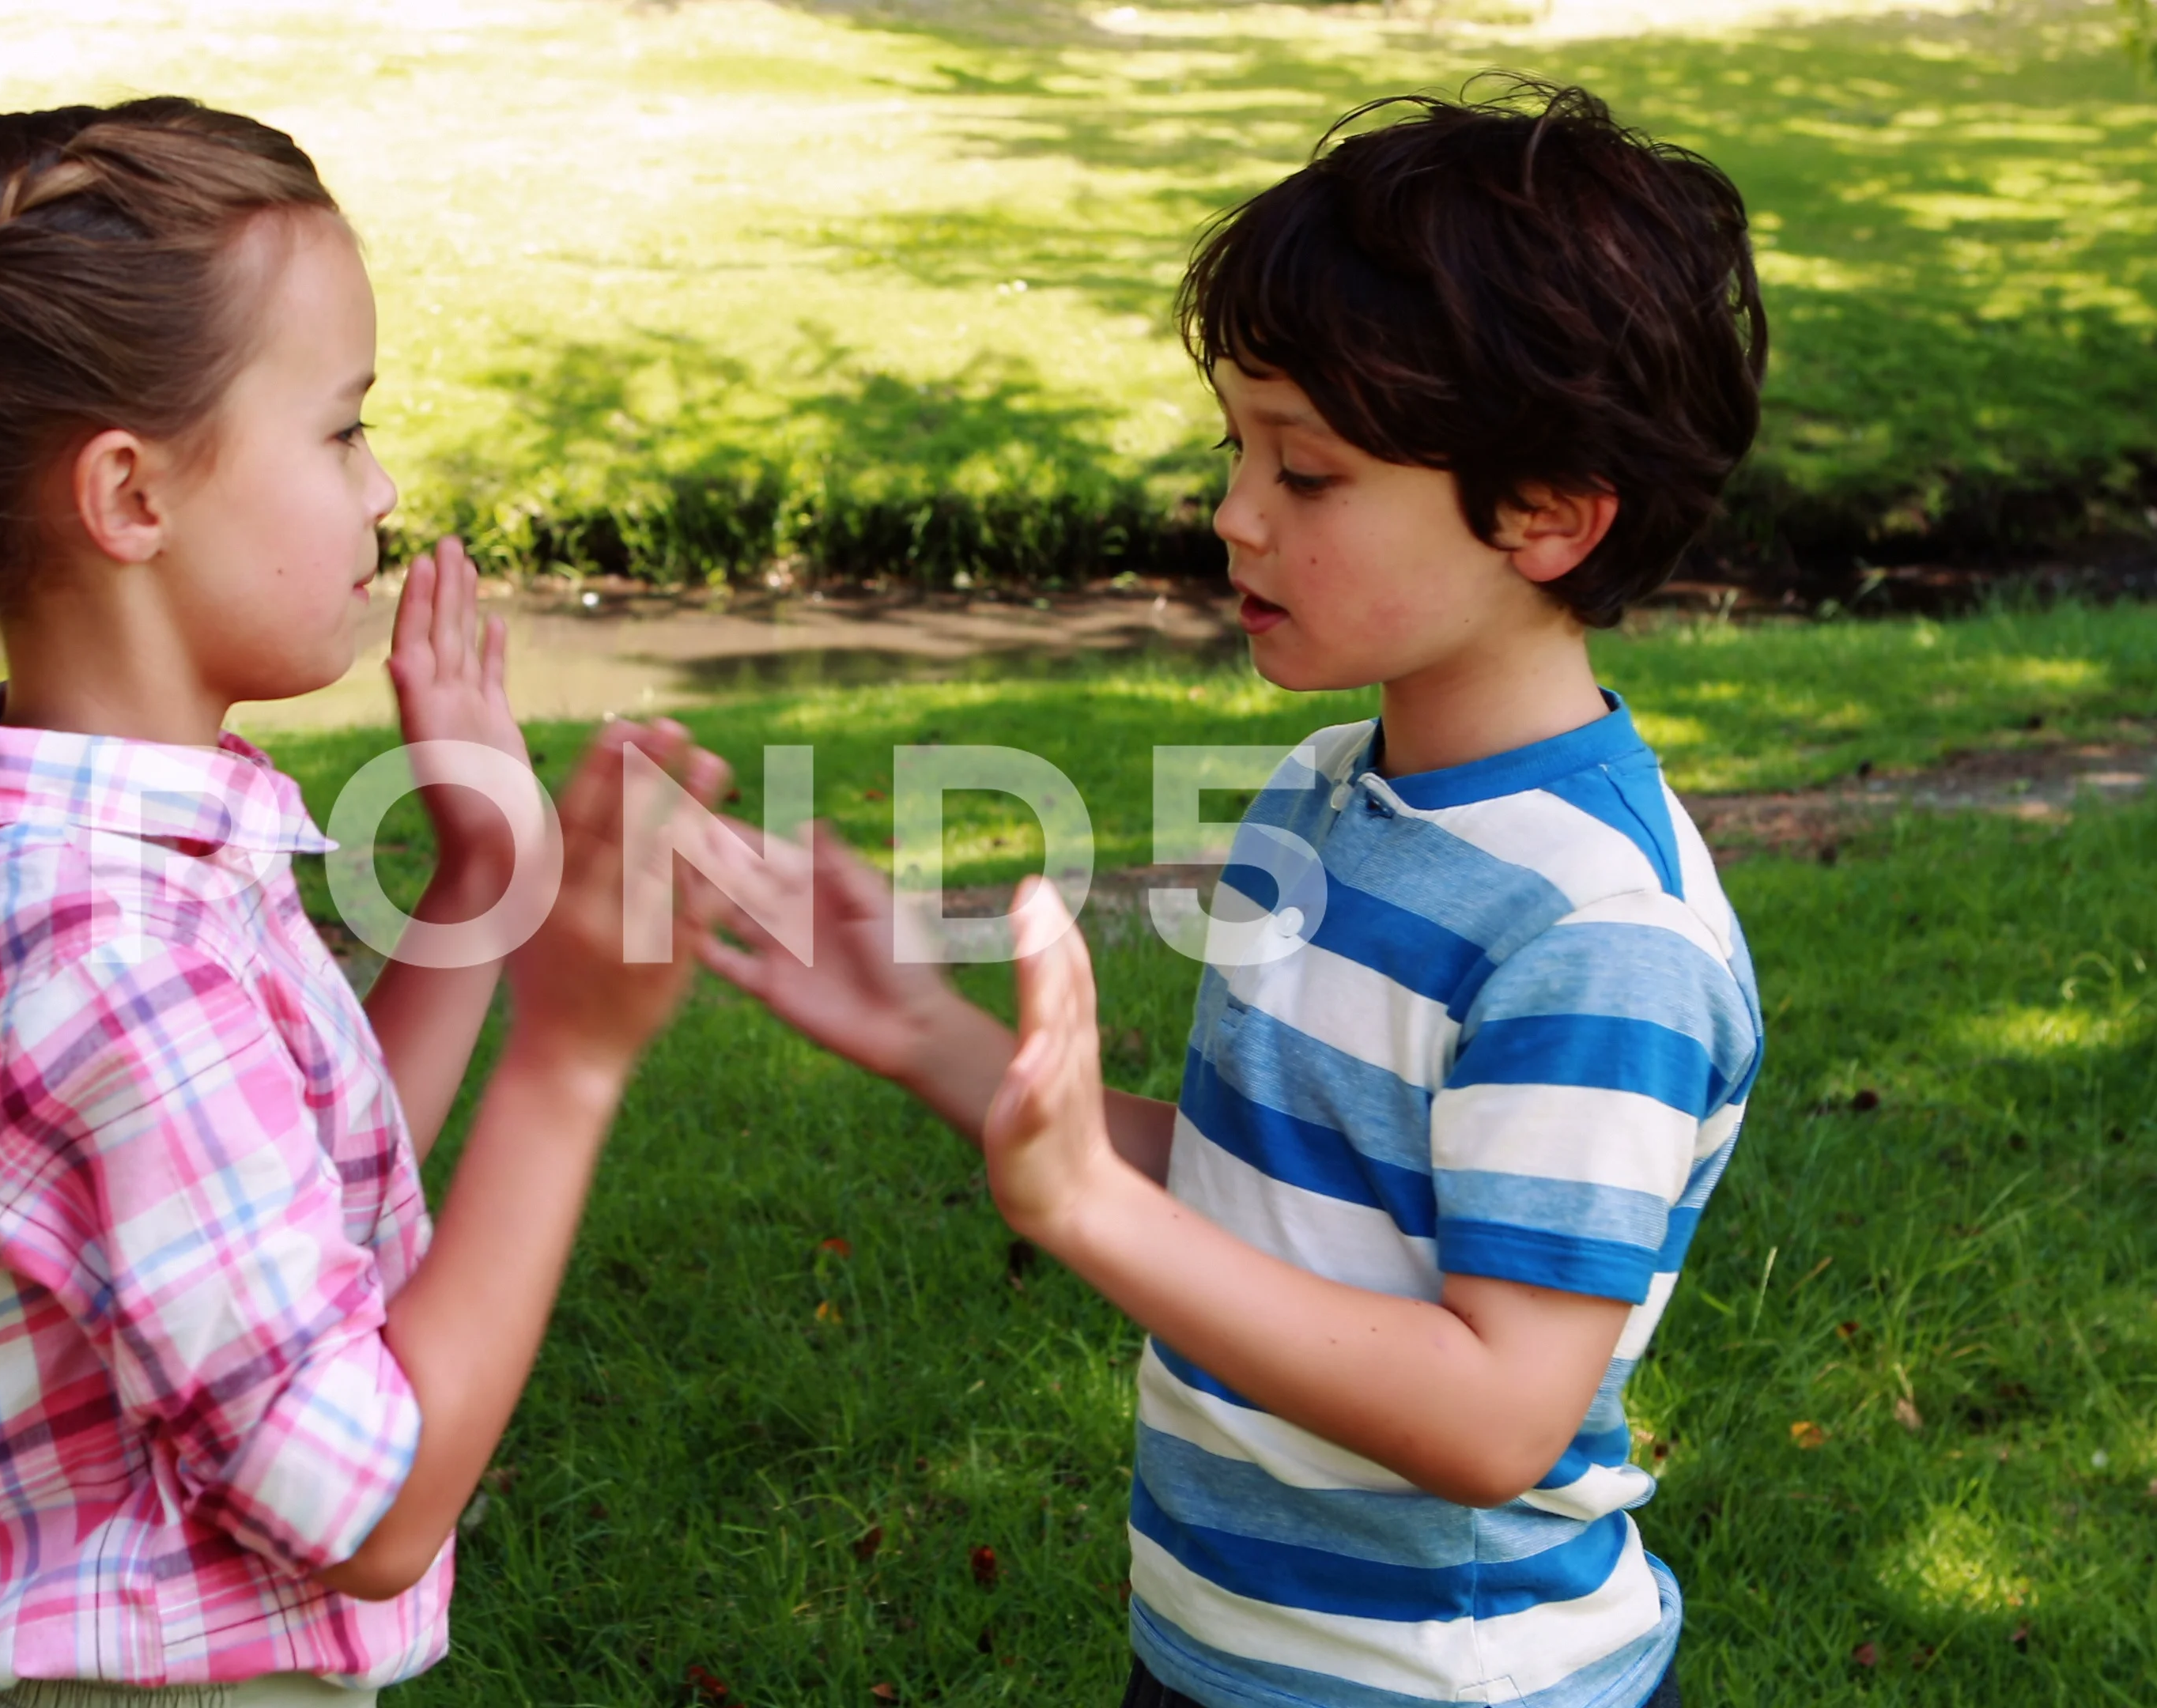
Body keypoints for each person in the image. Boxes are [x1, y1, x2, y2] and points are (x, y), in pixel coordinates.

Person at [700, 81, 1767, 1708]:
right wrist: (924, 1032)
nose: (1231, 516)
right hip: (1217, 1649)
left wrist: (1087, 1214)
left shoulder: (1594, 933)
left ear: (1543, 512)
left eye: (1309, 473)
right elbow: (1258, 1197)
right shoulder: (1325, 793)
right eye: (1232, 448)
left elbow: (1495, 1417)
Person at [0, 98, 725, 1705]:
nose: (382, 485)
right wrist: (569, 1061)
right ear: (131, 497)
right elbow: (373, 1509)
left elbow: (290, 1212)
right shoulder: (109, 961)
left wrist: (480, 885)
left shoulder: (94, 857)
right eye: (341, 427)